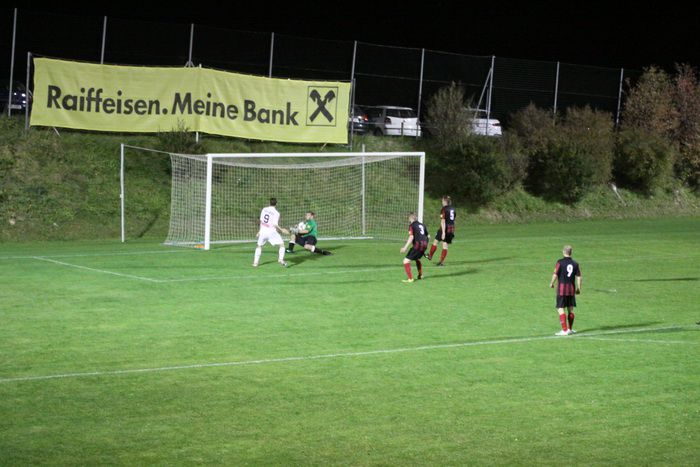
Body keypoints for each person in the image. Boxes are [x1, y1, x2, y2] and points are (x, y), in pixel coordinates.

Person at [549, 245, 582, 335]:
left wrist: (551, 283)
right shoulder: (575, 264)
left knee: (560, 308)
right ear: (571, 252)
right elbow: (579, 277)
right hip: (571, 289)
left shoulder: (560, 262)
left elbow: (555, 274)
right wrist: (578, 288)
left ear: (563, 252)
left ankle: (564, 330)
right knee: (570, 309)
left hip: (562, 289)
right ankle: (570, 329)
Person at [253, 197, 290, 267]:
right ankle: (280, 259)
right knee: (282, 245)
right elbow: (275, 224)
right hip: (271, 232)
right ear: (276, 204)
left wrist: (259, 231)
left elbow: (261, 221)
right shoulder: (276, 213)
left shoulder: (264, 209)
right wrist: (281, 230)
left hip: (263, 231)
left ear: (269, 202)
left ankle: (255, 263)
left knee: (259, 246)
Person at [425, 195, 455, 266]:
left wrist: (443, 232)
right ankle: (440, 261)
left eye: (442, 201)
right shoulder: (453, 209)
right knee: (444, 244)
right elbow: (453, 220)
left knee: (436, 242)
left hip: (444, 228)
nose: (442, 202)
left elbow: (443, 221)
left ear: (445, 201)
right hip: (451, 229)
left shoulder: (444, 209)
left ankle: (431, 256)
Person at [400, 213, 429, 283]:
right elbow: (428, 236)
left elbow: (411, 237)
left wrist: (405, 247)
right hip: (425, 244)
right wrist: (424, 246)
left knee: (405, 261)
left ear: (410, 219)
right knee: (417, 258)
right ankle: (420, 275)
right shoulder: (422, 225)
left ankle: (410, 279)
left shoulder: (412, 225)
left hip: (418, 245)